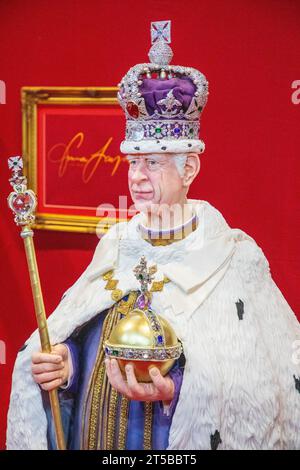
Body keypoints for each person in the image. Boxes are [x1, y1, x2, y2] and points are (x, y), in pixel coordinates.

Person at [7, 21, 300, 450]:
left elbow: (260, 384)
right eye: (133, 163)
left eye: (156, 163)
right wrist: (67, 363)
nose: (139, 178)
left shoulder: (234, 258)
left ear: (190, 169)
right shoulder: (115, 245)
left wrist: (178, 388)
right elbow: (90, 338)